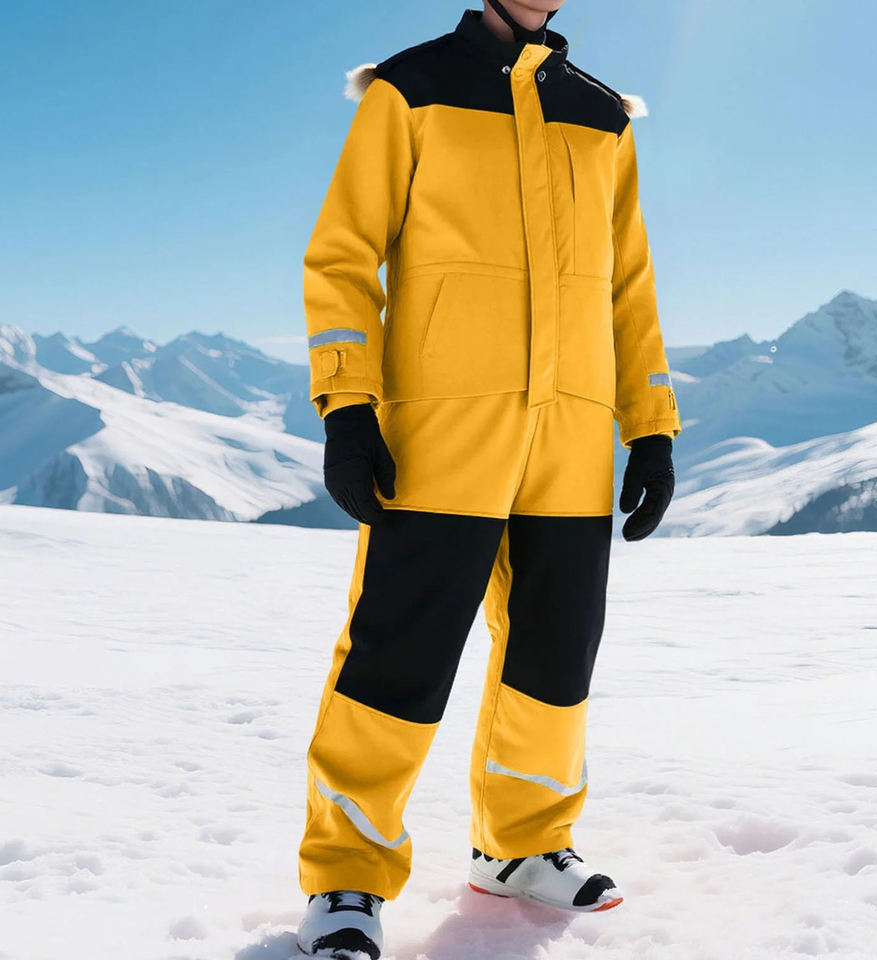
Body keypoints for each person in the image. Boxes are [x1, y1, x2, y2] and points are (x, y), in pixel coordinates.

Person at [296, 1, 681, 955]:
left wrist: (651, 425)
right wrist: (347, 405)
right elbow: (344, 256)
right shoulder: (412, 88)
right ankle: (347, 875)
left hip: (572, 435)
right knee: (398, 656)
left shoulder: (602, 115)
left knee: (554, 654)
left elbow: (628, 283)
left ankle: (522, 846)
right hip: (441, 428)